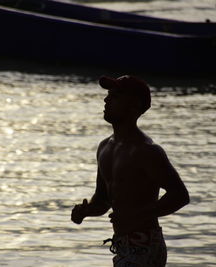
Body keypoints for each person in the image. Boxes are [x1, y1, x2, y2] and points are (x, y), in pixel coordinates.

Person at [71, 75, 190, 266]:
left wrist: (138, 214)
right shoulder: (104, 147)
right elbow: (103, 200)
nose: (106, 99)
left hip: (145, 243)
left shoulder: (146, 151)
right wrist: (86, 211)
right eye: (108, 95)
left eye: (115, 96)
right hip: (121, 244)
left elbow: (180, 196)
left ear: (133, 106)